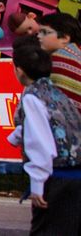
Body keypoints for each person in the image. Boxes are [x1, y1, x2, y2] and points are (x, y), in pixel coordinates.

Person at [10, 37, 81, 233]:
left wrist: (37, 183)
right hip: (75, 173)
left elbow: (40, 141)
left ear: (19, 70)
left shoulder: (32, 96)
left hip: (56, 176)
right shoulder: (56, 93)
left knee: (47, 229)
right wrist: (16, 135)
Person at [36, 11, 81, 113]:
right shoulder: (77, 56)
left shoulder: (60, 58)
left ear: (64, 38)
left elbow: (56, 112)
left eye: (44, 32)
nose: (38, 36)